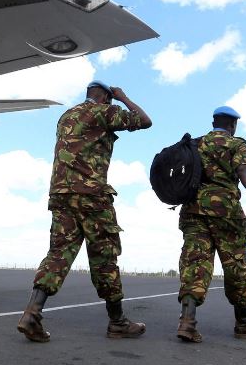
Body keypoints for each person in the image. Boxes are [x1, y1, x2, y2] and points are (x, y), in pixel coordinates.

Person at [17, 81, 152, 342]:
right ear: (104, 98)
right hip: (91, 196)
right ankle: (117, 322)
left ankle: (32, 312)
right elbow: (144, 121)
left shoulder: (66, 115)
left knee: (58, 254)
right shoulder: (104, 111)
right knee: (105, 257)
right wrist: (123, 97)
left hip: (60, 194)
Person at [176, 106, 246, 343]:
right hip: (226, 213)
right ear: (233, 125)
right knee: (235, 264)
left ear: (213, 122)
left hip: (193, 211)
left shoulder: (195, 144)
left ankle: (187, 321)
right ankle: (243, 323)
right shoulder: (235, 144)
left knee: (195, 262)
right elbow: (243, 168)